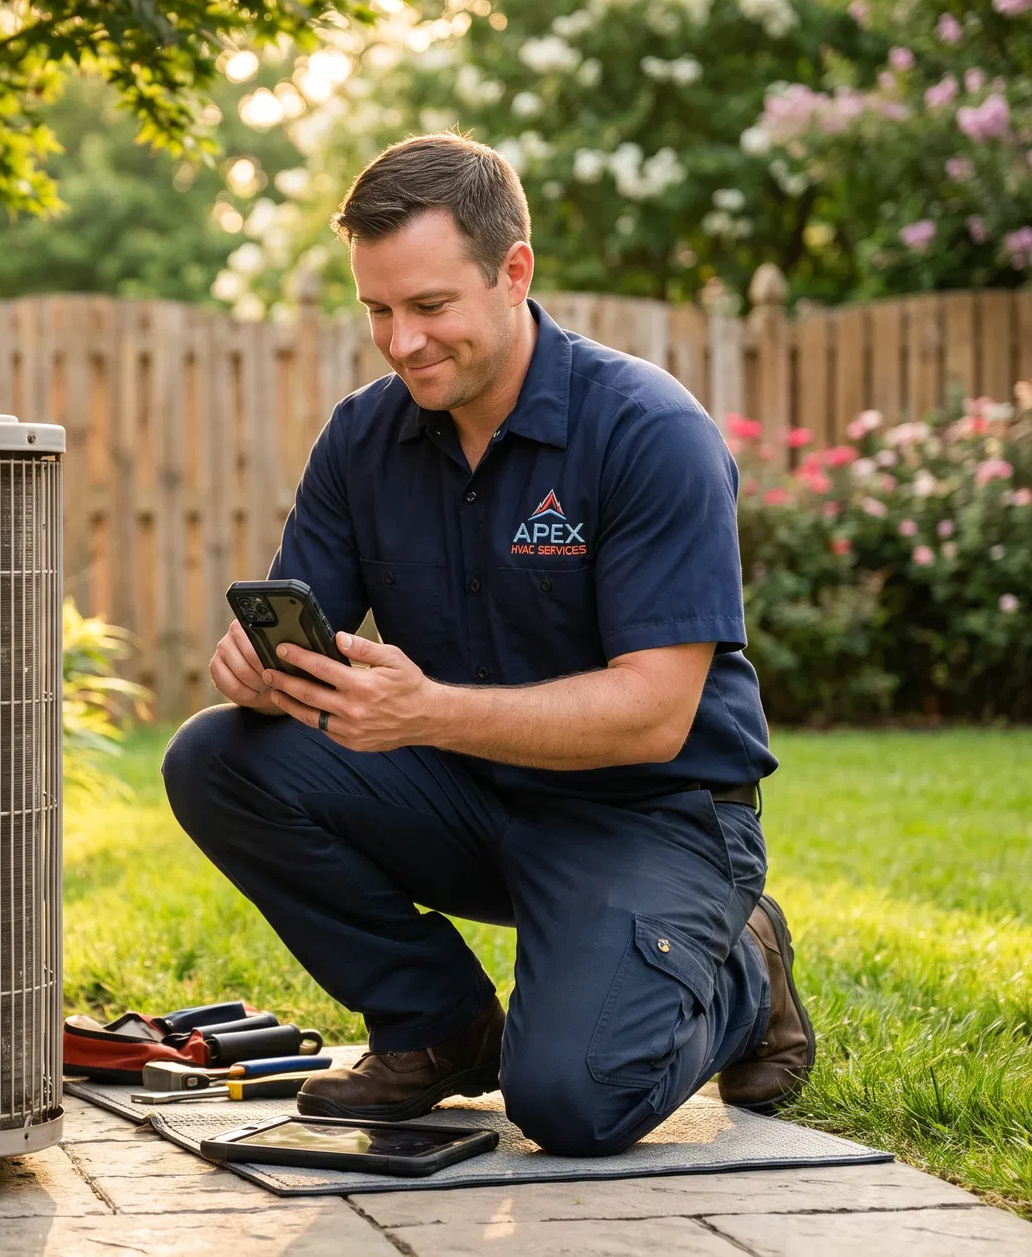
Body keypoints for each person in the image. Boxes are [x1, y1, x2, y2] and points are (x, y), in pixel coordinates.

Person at [160, 133, 813, 1156]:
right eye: (377, 310)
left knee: (572, 1104)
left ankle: (742, 962)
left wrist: (429, 712)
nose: (400, 342)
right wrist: (255, 670)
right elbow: (305, 643)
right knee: (216, 756)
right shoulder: (363, 439)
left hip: (653, 816)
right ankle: (436, 1028)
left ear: (516, 272)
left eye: (429, 307)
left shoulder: (648, 431)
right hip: (469, 799)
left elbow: (655, 711)